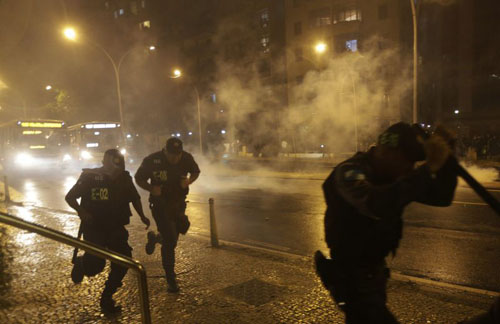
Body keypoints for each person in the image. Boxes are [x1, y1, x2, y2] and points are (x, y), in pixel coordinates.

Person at [315, 122, 458, 324]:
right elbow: (375, 204)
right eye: (405, 160)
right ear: (386, 150)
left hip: (374, 276)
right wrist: (426, 170)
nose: (409, 168)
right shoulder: (349, 171)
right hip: (351, 279)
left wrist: (448, 155)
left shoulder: (395, 176)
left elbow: (441, 196)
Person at [65, 149, 150, 313]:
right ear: (105, 161)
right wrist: (82, 212)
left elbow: (134, 198)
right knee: (95, 267)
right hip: (94, 228)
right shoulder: (89, 176)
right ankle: (82, 265)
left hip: (116, 227)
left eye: (118, 161)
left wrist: (142, 216)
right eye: (113, 161)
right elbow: (70, 197)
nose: (116, 165)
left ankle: (107, 297)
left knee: (123, 261)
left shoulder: (124, 178)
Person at [135, 137, 200, 293]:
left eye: (177, 155)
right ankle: (171, 279)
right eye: (171, 155)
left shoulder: (186, 157)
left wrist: (189, 181)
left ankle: (156, 238)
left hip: (178, 204)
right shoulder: (152, 160)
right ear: (165, 150)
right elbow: (139, 178)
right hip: (160, 205)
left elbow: (196, 171)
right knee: (170, 241)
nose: (175, 158)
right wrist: (151, 188)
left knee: (176, 234)